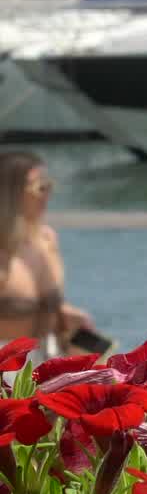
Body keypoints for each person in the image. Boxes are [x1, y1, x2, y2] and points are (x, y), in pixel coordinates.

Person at [0, 152, 93, 354]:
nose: (48, 193)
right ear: (10, 192)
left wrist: (73, 318)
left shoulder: (46, 240)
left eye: (49, 185)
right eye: (40, 187)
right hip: (6, 366)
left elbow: (49, 309)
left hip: (47, 358)